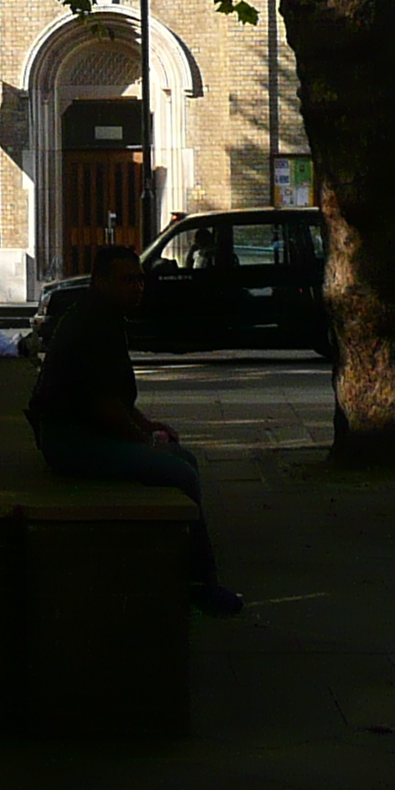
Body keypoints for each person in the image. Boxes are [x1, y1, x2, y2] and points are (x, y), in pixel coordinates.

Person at [28, 245, 243, 615]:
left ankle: (197, 576)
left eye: (140, 280)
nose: (138, 288)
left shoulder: (105, 319)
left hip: (83, 433)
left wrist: (146, 425)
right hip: (70, 441)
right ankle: (199, 583)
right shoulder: (92, 324)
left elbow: (114, 399)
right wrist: (144, 441)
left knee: (182, 458)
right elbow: (102, 407)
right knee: (180, 472)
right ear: (101, 282)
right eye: (127, 281)